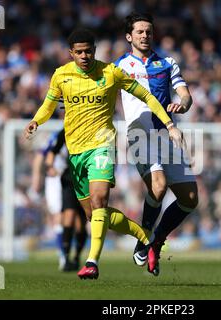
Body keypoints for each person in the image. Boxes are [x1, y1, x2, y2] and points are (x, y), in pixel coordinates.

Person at [24, 28, 184, 280]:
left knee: (100, 201)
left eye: (88, 50)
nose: (84, 55)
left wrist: (171, 125)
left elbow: (148, 98)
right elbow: (49, 104)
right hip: (76, 153)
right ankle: (148, 237)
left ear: (94, 50)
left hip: (102, 146)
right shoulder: (61, 75)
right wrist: (36, 121)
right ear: (71, 53)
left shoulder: (110, 73)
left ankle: (91, 262)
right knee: (94, 215)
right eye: (79, 52)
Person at [115, 12, 198, 276]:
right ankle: (143, 240)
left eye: (148, 31)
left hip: (166, 134)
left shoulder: (167, 63)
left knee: (190, 198)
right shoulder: (118, 67)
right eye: (139, 32)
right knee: (159, 185)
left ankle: (156, 241)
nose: (145, 35)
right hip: (139, 134)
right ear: (129, 36)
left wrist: (182, 105)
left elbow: (185, 95)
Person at [45, 128, 88, 272]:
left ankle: (76, 257)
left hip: (87, 179)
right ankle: (66, 257)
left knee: (81, 224)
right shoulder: (67, 130)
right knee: (68, 217)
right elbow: (52, 150)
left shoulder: (93, 128)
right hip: (69, 179)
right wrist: (50, 166)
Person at [28, 131, 69, 270]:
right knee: (59, 217)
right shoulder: (55, 136)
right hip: (56, 180)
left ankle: (66, 253)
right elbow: (40, 156)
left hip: (71, 179)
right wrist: (35, 178)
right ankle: (63, 255)